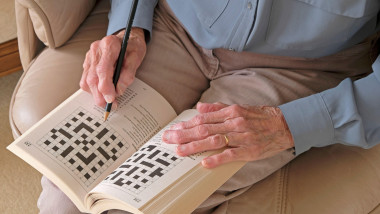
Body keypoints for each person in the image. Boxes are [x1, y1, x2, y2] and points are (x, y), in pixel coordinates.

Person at [38, 0, 380, 213]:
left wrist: (292, 124)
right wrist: (130, 25)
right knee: (63, 195)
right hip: (173, 24)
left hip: (301, 65)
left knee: (141, 203)